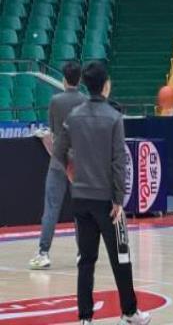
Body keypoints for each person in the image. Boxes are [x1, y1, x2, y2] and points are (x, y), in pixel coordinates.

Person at [53, 62, 151, 324]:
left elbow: (58, 150)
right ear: (106, 85)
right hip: (107, 201)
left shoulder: (73, 117)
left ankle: (85, 318)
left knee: (86, 261)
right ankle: (129, 312)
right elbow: (119, 161)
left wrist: (72, 173)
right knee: (121, 256)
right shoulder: (113, 118)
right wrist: (119, 198)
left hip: (81, 199)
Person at [29, 61, 86, 270]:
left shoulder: (55, 101)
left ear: (64, 80)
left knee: (51, 208)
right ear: (79, 79)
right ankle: (83, 253)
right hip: (79, 162)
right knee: (81, 209)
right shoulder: (85, 102)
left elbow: (53, 132)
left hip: (59, 161)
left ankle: (43, 253)